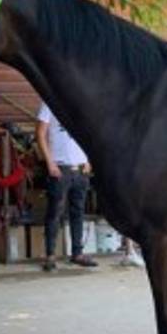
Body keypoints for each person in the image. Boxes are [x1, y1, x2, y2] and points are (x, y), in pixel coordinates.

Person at [34, 101, 98, 271]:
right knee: (55, 212)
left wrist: (89, 160)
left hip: (81, 169)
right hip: (60, 168)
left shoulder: (78, 102)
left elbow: (91, 133)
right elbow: (40, 133)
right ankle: (50, 256)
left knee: (78, 212)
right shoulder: (48, 103)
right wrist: (50, 163)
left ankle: (77, 253)